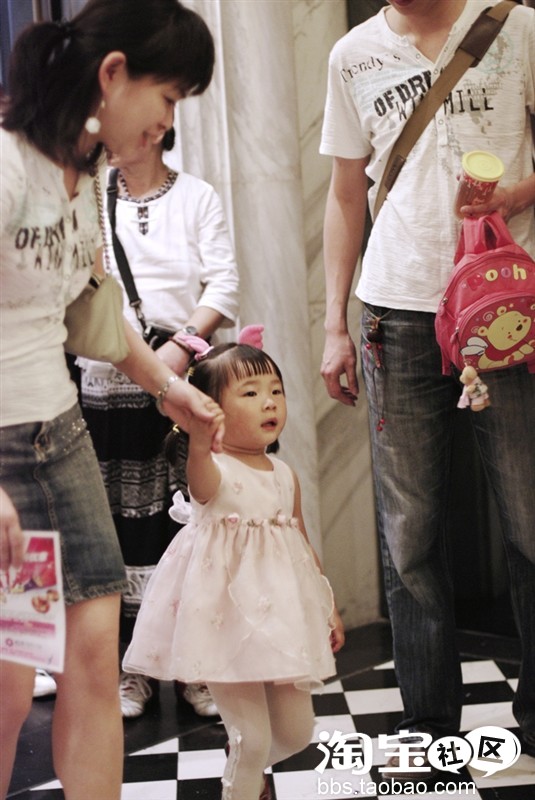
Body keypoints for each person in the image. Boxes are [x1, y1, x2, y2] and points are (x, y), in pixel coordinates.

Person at [0, 1, 221, 798]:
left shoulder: (86, 176)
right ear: (113, 73)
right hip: (4, 454)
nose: (167, 122)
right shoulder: (7, 167)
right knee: (11, 680)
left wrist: (170, 388)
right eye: (168, 97)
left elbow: (94, 311)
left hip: (58, 441)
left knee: (95, 658)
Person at [319, 0, 535, 778]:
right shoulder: (353, 53)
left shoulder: (518, 27)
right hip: (395, 306)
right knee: (408, 529)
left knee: (529, 518)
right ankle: (428, 727)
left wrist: (514, 195)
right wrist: (332, 325)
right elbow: (345, 194)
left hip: (503, 303)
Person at [123, 334, 345, 800]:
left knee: (297, 733)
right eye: (250, 393)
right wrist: (201, 440)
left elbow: (301, 544)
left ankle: (244, 764)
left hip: (280, 621)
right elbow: (201, 482)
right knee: (254, 738)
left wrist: (327, 608)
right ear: (213, 410)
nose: (269, 402)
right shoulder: (214, 468)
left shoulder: (284, 475)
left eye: (276, 390)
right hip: (224, 624)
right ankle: (242, 778)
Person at [78, 129, 239, 718]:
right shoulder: (91, 196)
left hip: (183, 378)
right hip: (105, 380)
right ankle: (133, 670)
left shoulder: (196, 195)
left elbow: (224, 282)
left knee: (191, 523)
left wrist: (181, 344)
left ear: (154, 131)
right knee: (118, 529)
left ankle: (197, 670)